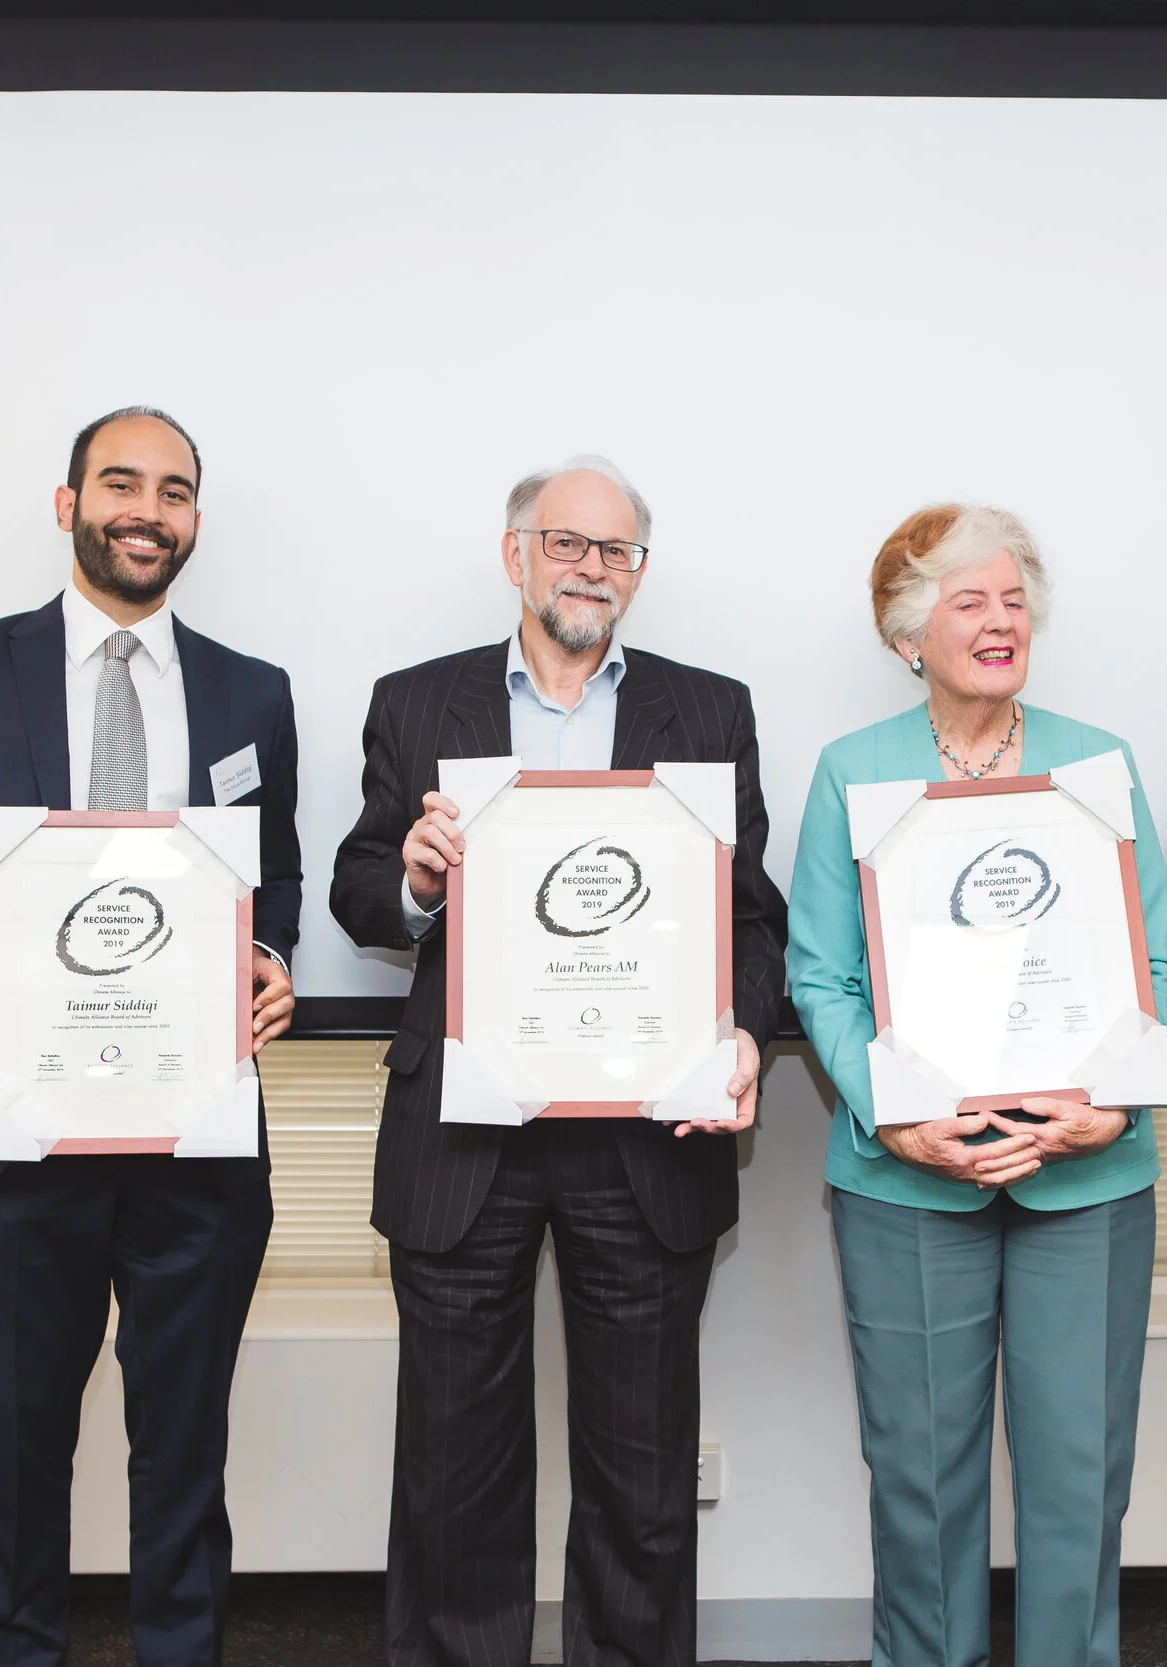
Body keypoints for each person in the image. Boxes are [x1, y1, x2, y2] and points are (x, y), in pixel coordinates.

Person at [0, 407, 304, 1667]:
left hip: (195, 1138)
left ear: (195, 519)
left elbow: (277, 881)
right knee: (17, 1446)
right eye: (121, 483)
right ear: (67, 503)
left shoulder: (252, 692)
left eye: (174, 490)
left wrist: (268, 959)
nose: (147, 510)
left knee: (185, 1452)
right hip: (7, 1124)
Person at [329, 455, 788, 1667]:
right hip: (465, 1135)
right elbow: (356, 886)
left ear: (639, 572)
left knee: (641, 1476)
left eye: (617, 550)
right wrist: (418, 879)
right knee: (451, 1468)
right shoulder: (418, 701)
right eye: (568, 543)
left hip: (644, 1133)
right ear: (515, 553)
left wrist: (743, 1027)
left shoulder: (712, 708)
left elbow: (748, 914)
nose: (592, 567)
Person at [786, 504, 1167, 1667]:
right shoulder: (851, 772)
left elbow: (1153, 961)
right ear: (908, 632)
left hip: (1090, 1170)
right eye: (970, 600)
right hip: (909, 1179)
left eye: (1014, 599)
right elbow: (819, 973)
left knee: (1079, 1471)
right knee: (920, 1478)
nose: (1000, 619)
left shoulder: (1097, 760)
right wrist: (903, 1116)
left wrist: (1109, 1102)